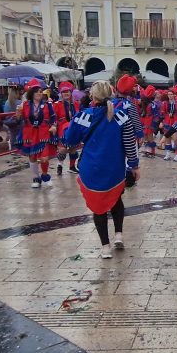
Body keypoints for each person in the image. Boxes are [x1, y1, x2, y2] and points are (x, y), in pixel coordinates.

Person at [63, 81, 140, 259]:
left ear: (93, 96)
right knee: (116, 200)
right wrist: (134, 165)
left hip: (91, 169)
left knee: (98, 209)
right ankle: (118, 235)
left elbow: (70, 140)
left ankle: (105, 248)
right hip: (115, 169)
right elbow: (130, 143)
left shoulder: (83, 116)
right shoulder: (121, 116)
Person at [17, 80, 58, 188]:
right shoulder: (25, 105)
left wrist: (54, 126)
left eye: (41, 91)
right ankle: (36, 177)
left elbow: (54, 117)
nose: (39, 93)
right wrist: (18, 114)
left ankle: (45, 175)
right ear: (32, 93)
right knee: (32, 156)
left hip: (43, 132)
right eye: (37, 92)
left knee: (44, 158)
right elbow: (19, 120)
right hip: (29, 133)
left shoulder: (47, 104)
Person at [52, 81, 81, 175]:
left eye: (67, 92)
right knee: (62, 149)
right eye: (64, 92)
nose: (66, 94)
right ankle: (60, 165)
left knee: (73, 148)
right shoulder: (57, 104)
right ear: (61, 93)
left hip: (73, 128)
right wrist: (54, 125)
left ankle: (72, 167)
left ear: (71, 92)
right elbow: (53, 117)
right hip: (62, 128)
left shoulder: (76, 104)